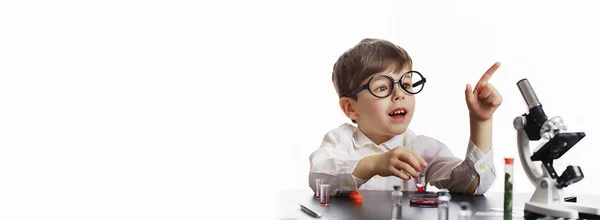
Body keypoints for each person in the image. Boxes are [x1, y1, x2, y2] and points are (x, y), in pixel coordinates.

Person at [308, 38, 502, 196]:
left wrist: (480, 121)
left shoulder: (421, 148)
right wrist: (374, 164)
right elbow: (319, 178)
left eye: (406, 85)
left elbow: (473, 184)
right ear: (350, 108)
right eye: (382, 88)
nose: (399, 94)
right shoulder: (340, 141)